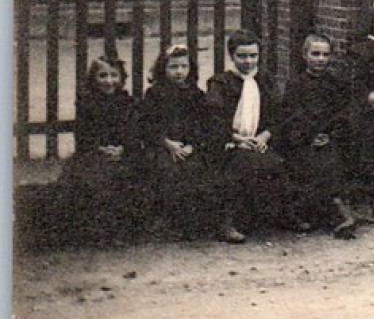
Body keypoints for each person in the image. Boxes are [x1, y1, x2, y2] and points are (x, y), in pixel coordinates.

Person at [137, 45, 233, 242]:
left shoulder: (195, 95)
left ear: (191, 69)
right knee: (168, 171)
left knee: (202, 172)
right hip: (163, 147)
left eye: (183, 67)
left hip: (189, 147)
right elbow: (148, 124)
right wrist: (167, 143)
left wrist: (193, 145)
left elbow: (201, 126)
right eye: (173, 67)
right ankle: (172, 224)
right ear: (163, 69)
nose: (179, 71)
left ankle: (202, 224)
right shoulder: (154, 94)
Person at [204, 30, 288, 235]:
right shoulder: (221, 83)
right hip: (230, 141)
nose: (248, 61)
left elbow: (278, 115)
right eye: (242, 56)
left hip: (259, 140)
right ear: (232, 56)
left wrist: (264, 136)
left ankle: (274, 217)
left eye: (253, 56)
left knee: (275, 163)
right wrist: (238, 138)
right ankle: (227, 222)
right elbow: (214, 119)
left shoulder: (265, 81)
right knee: (242, 164)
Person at [275, 33, 360, 238]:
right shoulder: (296, 84)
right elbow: (292, 115)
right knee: (308, 162)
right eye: (315, 54)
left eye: (325, 54)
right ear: (305, 55)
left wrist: (329, 134)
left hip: (329, 136)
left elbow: (343, 112)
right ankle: (311, 213)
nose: (320, 59)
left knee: (332, 159)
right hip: (303, 139)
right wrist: (308, 136)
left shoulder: (335, 83)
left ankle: (341, 214)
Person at [58, 55, 143, 247]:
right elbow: (83, 135)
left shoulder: (127, 102)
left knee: (134, 175)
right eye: (102, 76)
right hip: (94, 153)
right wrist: (100, 149)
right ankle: (100, 232)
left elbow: (133, 132)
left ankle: (125, 230)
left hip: (123, 152)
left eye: (114, 75)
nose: (109, 81)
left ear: (121, 78)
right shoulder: (86, 103)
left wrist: (123, 148)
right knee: (96, 179)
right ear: (94, 79)